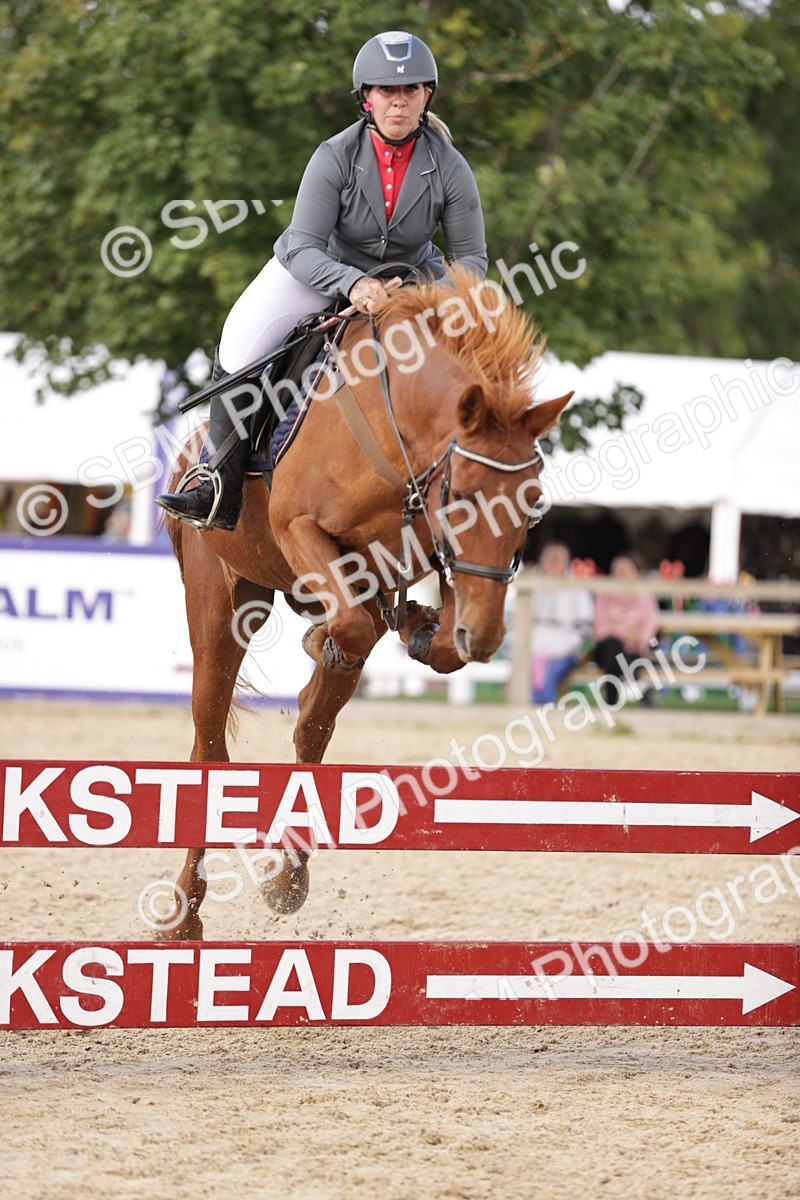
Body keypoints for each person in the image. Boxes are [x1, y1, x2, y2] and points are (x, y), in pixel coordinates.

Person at [157, 30, 488, 531]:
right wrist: (353, 284)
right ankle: (216, 483)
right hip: (320, 267)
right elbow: (306, 244)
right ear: (366, 98)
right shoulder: (334, 155)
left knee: (485, 335)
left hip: (412, 280)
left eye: (410, 91)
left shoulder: (450, 167)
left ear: (426, 96)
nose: (398, 102)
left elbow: (472, 261)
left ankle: (497, 483)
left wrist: (434, 298)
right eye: (386, 91)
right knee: (239, 339)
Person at [591, 554, 661, 706]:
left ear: (637, 573)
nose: (620, 575)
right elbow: (600, 629)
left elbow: (650, 627)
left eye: (625, 571)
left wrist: (637, 640)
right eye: (617, 571)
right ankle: (639, 687)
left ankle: (611, 702)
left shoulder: (645, 598)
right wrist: (624, 636)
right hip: (608, 649)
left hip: (634, 651)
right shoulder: (604, 596)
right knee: (613, 646)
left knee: (618, 655)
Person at [530, 543, 594, 704]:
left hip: (567, 648)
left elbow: (584, 625)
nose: (554, 563)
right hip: (533, 644)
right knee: (531, 667)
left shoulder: (577, 587)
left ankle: (542, 712)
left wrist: (568, 646)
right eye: (551, 558)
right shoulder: (530, 584)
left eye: (558, 559)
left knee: (550, 672)